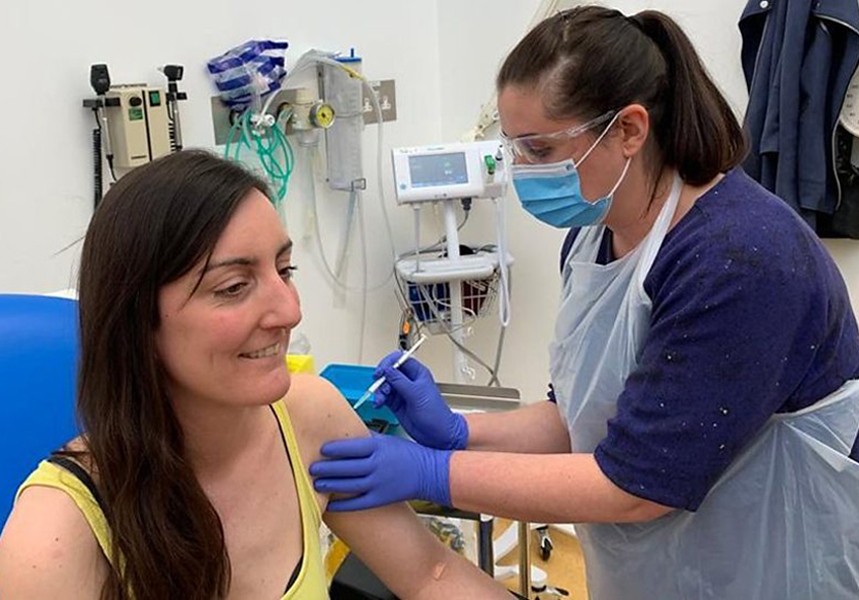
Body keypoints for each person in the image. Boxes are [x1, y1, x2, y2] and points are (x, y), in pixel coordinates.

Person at [309, 6, 859, 599]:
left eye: (539, 149)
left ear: (629, 130)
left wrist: (433, 473)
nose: (521, 172)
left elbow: (637, 485)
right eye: (513, 148)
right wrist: (463, 432)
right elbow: (583, 415)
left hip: (793, 565)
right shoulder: (595, 238)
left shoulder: (741, 259)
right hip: (677, 565)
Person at [0, 150, 513, 600]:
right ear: (135, 319)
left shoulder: (311, 417)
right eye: (233, 287)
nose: (290, 311)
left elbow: (431, 575)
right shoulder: (54, 538)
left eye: (284, 271)